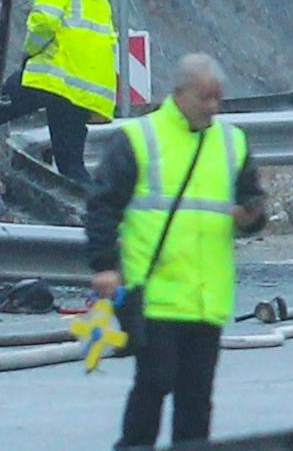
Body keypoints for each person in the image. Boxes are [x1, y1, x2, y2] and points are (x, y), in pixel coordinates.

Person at [87, 53, 267, 449]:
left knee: (196, 399)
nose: (212, 107)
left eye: (218, 98)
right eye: (205, 97)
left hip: (207, 296)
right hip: (154, 292)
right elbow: (102, 205)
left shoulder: (231, 142)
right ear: (180, 93)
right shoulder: (139, 139)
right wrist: (105, 264)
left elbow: (253, 202)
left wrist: (250, 216)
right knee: (154, 383)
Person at [4, 0, 116, 184]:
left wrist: (29, 52)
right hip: (82, 91)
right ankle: (93, 209)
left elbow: (44, 22)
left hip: (53, 77)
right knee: (71, 166)